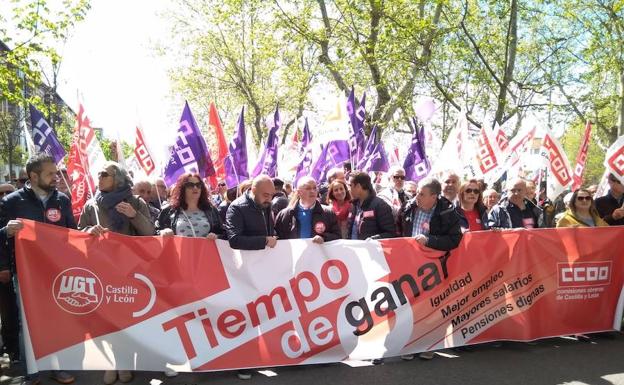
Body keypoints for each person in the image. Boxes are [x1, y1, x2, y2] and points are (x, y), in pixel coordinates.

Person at [0, 154, 75, 385]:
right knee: (26, 321)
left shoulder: (62, 200)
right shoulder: (11, 201)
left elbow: (72, 233)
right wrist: (6, 232)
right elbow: (0, 235)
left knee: (55, 320)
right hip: (24, 273)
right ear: (33, 176)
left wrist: (90, 233)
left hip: (56, 272)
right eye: (50, 173)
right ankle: (31, 373)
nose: (56, 177)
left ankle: (56, 367)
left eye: (55, 172)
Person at [78, 161, 154, 385]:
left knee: (127, 318)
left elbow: (150, 232)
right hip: (102, 270)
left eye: (105, 174)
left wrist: (133, 215)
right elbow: (77, 232)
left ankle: (126, 362)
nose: (99, 177)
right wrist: (88, 231)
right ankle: (111, 363)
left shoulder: (135, 202)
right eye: (99, 174)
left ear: (118, 178)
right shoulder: (91, 204)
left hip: (130, 270)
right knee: (107, 320)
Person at [400, 177, 462, 360]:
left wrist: (430, 241)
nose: (416, 196)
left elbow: (454, 239)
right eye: (417, 192)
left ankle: (429, 345)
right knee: (410, 305)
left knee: (432, 306)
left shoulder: (447, 212)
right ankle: (408, 345)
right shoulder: (409, 207)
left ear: (434, 197)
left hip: (434, 267)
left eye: (421, 193)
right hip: (410, 264)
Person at [224, 175, 276, 379]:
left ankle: (262, 356)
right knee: (246, 317)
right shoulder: (236, 208)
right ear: (252, 190)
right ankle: (243, 362)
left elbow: (270, 232)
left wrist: (272, 239)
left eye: (272, 195)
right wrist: (264, 241)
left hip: (264, 270)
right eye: (265, 195)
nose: (269, 199)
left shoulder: (266, 205)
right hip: (243, 272)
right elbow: (234, 239)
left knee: (263, 314)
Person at [156, 173, 225, 239]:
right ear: (182, 188)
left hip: (206, 251)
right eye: (190, 185)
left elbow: (223, 233)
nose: (195, 188)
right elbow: (156, 231)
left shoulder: (211, 210)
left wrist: (216, 236)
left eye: (198, 185)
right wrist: (163, 232)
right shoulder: (169, 210)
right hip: (178, 251)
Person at [274, 177, 341, 242]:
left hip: (318, 253)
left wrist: (324, 238)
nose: (312, 191)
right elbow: (278, 238)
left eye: (315, 188)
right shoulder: (285, 215)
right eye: (308, 188)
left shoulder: (328, 213)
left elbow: (337, 236)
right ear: (299, 192)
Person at [346, 171, 396, 240]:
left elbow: (390, 233)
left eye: (350, 185)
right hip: (354, 249)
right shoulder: (353, 205)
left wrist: (372, 240)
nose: (348, 189)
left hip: (371, 249)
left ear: (358, 186)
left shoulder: (380, 206)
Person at [378, 166, 408, 232]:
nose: (400, 179)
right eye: (396, 177)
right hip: (391, 232)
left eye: (402, 177)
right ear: (389, 178)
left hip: (405, 233)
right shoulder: (382, 196)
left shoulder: (409, 196)